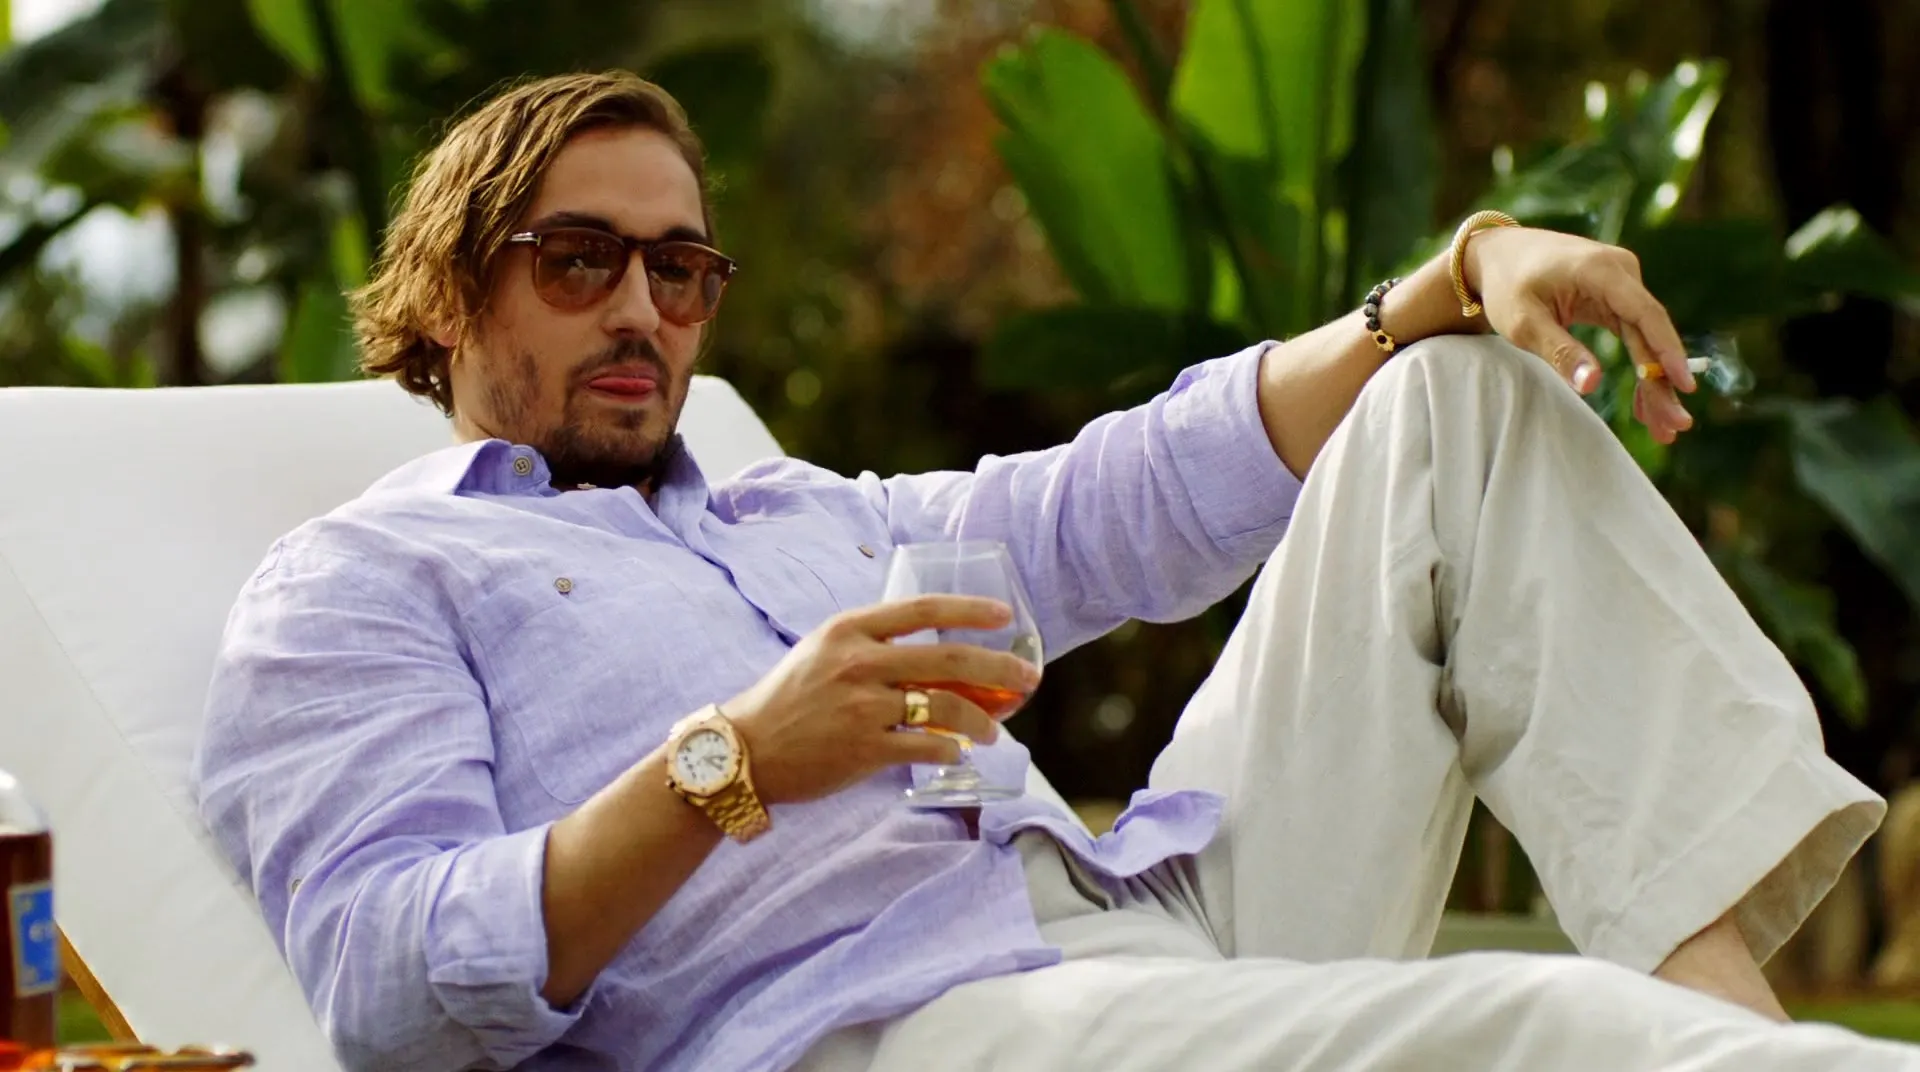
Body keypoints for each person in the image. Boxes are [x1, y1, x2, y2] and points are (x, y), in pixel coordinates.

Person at [191, 69, 1911, 1072]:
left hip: (1143, 924)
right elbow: (387, 980)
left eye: (681, 269)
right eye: (579, 261)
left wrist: (1459, 273)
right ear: (445, 296)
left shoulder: (797, 513)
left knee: (1451, 400)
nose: (643, 310)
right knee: (1540, 1032)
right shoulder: (361, 581)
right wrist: (734, 762)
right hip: (907, 1023)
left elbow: (1124, 497)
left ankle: (1737, 1029)